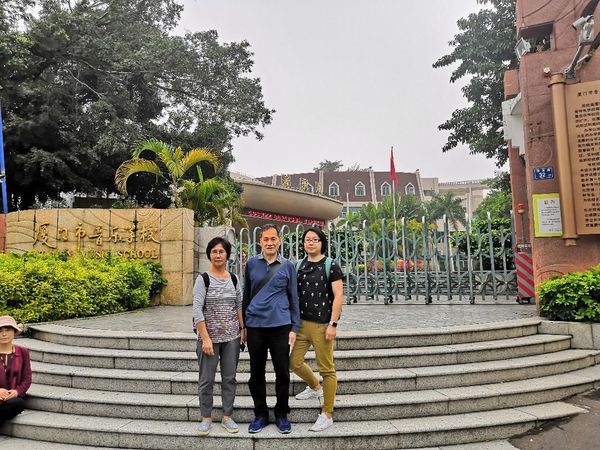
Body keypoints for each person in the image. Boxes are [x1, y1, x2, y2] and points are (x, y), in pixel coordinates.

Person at [242, 224, 299, 434]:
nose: (269, 243)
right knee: (256, 373)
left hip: (281, 326)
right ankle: (261, 414)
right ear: (260, 242)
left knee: (282, 372)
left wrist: (294, 327)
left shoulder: (288, 266)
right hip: (255, 327)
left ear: (279, 241)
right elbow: (246, 294)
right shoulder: (251, 264)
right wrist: (244, 326)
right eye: (265, 239)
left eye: (273, 239)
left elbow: (294, 297)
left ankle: (282, 414)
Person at [290, 227, 344, 432]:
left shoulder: (331, 265)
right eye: (307, 240)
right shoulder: (298, 265)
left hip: (322, 325)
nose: (310, 242)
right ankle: (315, 387)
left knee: (327, 369)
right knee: (293, 362)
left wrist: (333, 324)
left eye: (314, 239)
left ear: (322, 243)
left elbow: (338, 296)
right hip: (301, 324)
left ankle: (327, 414)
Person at [192, 237, 244, 436]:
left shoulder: (234, 279)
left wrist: (243, 329)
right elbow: (197, 310)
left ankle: (227, 416)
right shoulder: (203, 279)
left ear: (227, 255)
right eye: (214, 251)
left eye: (221, 251)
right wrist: (205, 338)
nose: (218, 255)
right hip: (209, 339)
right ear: (209, 255)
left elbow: (238, 305)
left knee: (229, 378)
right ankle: (206, 417)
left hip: (231, 337)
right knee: (206, 380)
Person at [0, 316, 31, 424]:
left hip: (11, 399)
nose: (4, 334)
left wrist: (17, 392)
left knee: (18, 403)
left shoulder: (23, 352)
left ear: (14, 332)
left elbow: (27, 379)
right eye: (0, 331)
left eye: (8, 330)